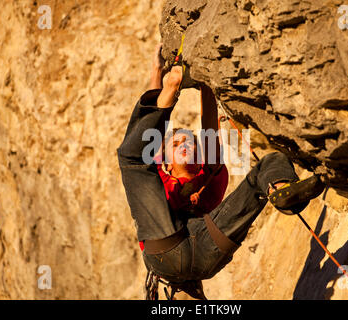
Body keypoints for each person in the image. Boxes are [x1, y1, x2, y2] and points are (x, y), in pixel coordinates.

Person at [117, 44, 325, 299]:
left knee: (270, 163)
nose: (185, 144)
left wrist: (206, 82)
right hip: (166, 244)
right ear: (166, 162)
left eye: (189, 141)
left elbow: (208, 128)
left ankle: (281, 190)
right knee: (133, 157)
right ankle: (170, 88)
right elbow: (147, 140)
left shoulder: (212, 173)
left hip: (207, 246)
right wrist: (158, 74)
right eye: (176, 143)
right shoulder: (160, 176)